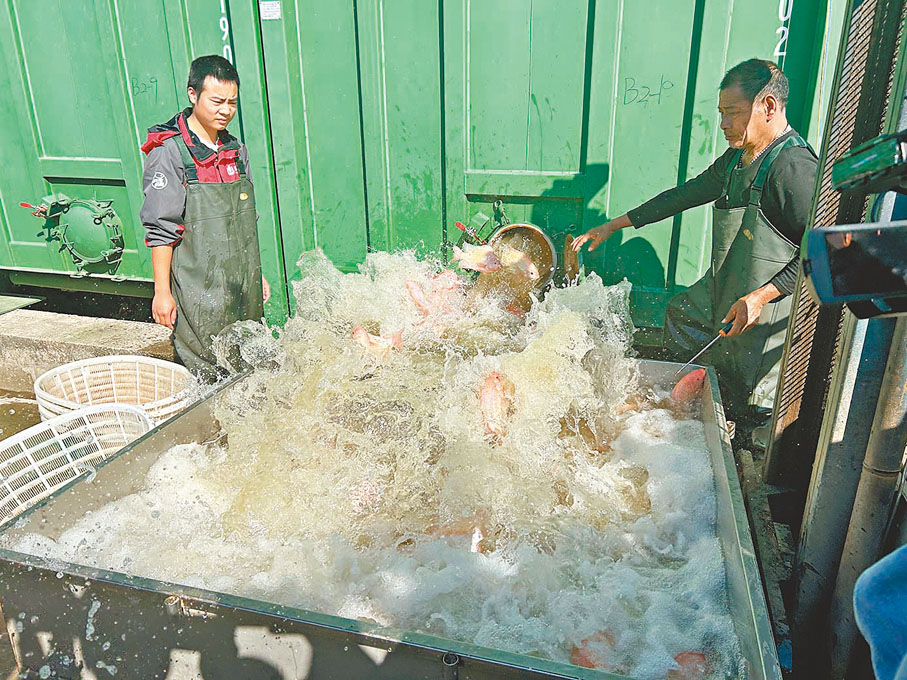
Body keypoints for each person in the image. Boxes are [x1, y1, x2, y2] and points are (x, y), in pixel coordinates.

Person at [573, 59, 818, 416]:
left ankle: (741, 436)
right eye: (721, 113)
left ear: (767, 107)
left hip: (770, 305)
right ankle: (680, 409)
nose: (723, 124)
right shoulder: (738, 157)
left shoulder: (794, 168)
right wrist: (614, 225)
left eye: (732, 113)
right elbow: (686, 194)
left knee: (748, 396)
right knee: (683, 315)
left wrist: (761, 296)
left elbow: (820, 250)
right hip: (725, 289)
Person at [140, 55, 269, 381]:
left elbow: (244, 220)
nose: (225, 110)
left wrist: (257, 275)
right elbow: (161, 227)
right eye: (216, 101)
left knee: (253, 368)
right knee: (209, 376)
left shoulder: (236, 150)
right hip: (198, 289)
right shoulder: (170, 152)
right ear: (193, 95)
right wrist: (162, 291)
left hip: (241, 286)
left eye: (232, 102)